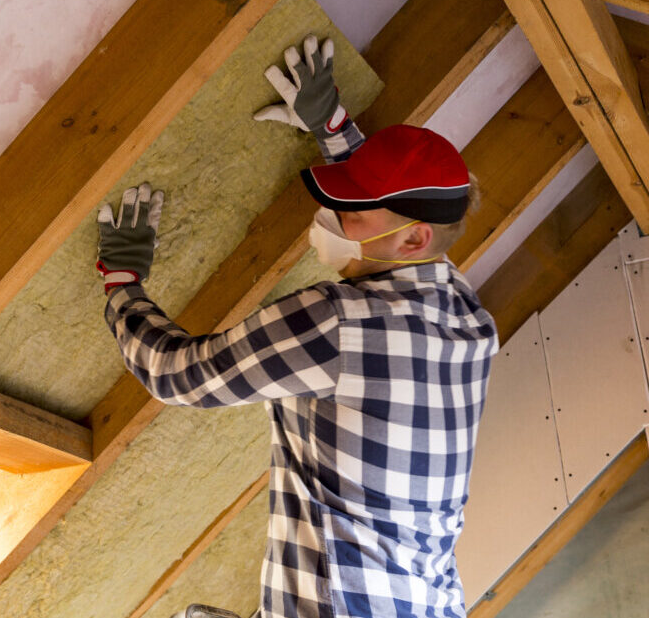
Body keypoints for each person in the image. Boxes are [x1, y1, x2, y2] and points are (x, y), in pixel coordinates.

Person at [96, 36, 498, 618]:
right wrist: (334, 128)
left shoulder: (340, 326)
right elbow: (406, 210)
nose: (332, 217)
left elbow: (178, 376)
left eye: (352, 210)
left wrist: (121, 284)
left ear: (414, 240)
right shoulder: (463, 314)